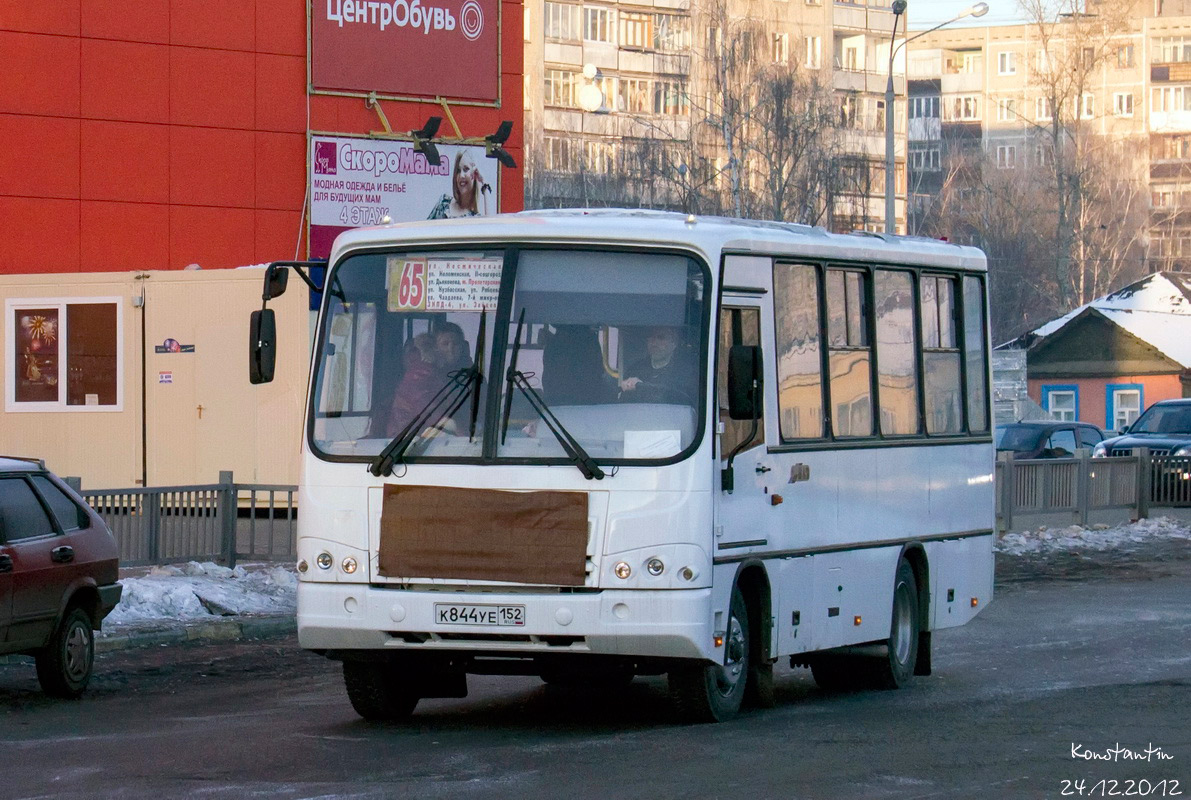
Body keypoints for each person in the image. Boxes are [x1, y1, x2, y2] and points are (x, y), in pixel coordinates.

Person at [618, 326, 695, 404]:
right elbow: (624, 404)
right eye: (650, 337)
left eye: (661, 338)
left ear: (674, 343)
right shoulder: (635, 369)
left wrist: (640, 387)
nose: (654, 342)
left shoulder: (684, 372)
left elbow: (681, 398)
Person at [427, 150, 490, 219]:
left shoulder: (474, 218)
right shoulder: (443, 203)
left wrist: (484, 183)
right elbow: (425, 228)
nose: (461, 175)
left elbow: (490, 226)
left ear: (475, 174)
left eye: (466, 169)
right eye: (458, 171)